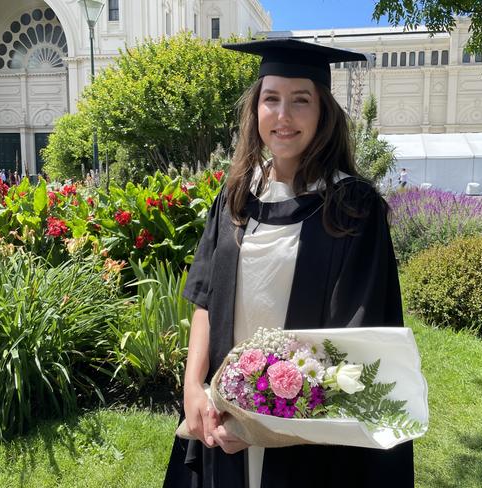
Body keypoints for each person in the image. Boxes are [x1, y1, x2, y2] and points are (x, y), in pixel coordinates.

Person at [163, 38, 413, 488]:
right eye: (271, 99)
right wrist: (193, 386)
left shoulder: (351, 208)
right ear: (255, 109)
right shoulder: (236, 196)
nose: (283, 115)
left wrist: (262, 424)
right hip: (222, 415)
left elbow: (354, 340)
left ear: (323, 113)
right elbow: (205, 298)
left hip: (304, 432)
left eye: (301, 101)